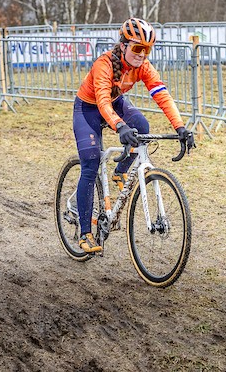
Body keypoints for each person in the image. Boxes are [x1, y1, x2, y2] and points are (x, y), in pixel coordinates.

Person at [73, 17, 195, 253]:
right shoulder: (104, 64)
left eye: (147, 50)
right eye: (137, 48)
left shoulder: (144, 67)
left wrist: (180, 127)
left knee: (142, 126)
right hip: (88, 109)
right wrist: (119, 126)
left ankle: (120, 172)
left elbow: (162, 96)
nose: (142, 55)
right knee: (91, 163)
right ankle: (85, 232)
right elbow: (102, 100)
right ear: (123, 45)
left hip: (115, 104)